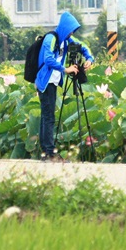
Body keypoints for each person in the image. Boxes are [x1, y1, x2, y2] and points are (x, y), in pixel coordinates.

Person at [34, 11, 94, 162]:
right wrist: (65, 69)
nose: (72, 33)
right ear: (65, 28)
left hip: (53, 81)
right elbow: (48, 59)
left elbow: (83, 47)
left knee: (46, 115)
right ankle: (49, 153)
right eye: (71, 30)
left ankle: (46, 152)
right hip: (45, 81)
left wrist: (89, 59)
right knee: (49, 117)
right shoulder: (51, 39)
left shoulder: (66, 40)